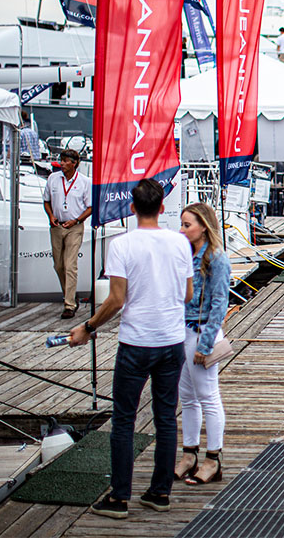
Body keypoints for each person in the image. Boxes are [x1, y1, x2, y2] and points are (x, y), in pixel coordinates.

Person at [69, 179, 193, 520]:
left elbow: (116, 300)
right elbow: (187, 295)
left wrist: (88, 327)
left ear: (133, 208)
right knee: (166, 418)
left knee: (124, 419)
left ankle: (120, 497)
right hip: (171, 341)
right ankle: (160, 492)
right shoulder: (179, 243)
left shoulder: (122, 245)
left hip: (136, 342)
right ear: (163, 208)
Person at [175, 203, 231, 486]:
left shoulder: (216, 258)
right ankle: (189, 453)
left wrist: (205, 344)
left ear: (203, 226)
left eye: (188, 225)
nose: (183, 229)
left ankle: (213, 459)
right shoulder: (187, 254)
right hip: (183, 331)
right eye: (182, 224)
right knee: (187, 396)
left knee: (208, 396)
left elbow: (221, 302)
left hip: (201, 332)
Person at [43, 148, 92, 318]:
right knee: (59, 265)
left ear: (74, 164)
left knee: (70, 264)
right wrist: (50, 216)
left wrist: (77, 220)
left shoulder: (85, 182)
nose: (62, 164)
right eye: (61, 160)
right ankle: (70, 294)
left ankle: (69, 304)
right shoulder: (53, 178)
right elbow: (46, 201)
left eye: (65, 161)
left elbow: (90, 207)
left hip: (74, 226)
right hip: (57, 225)